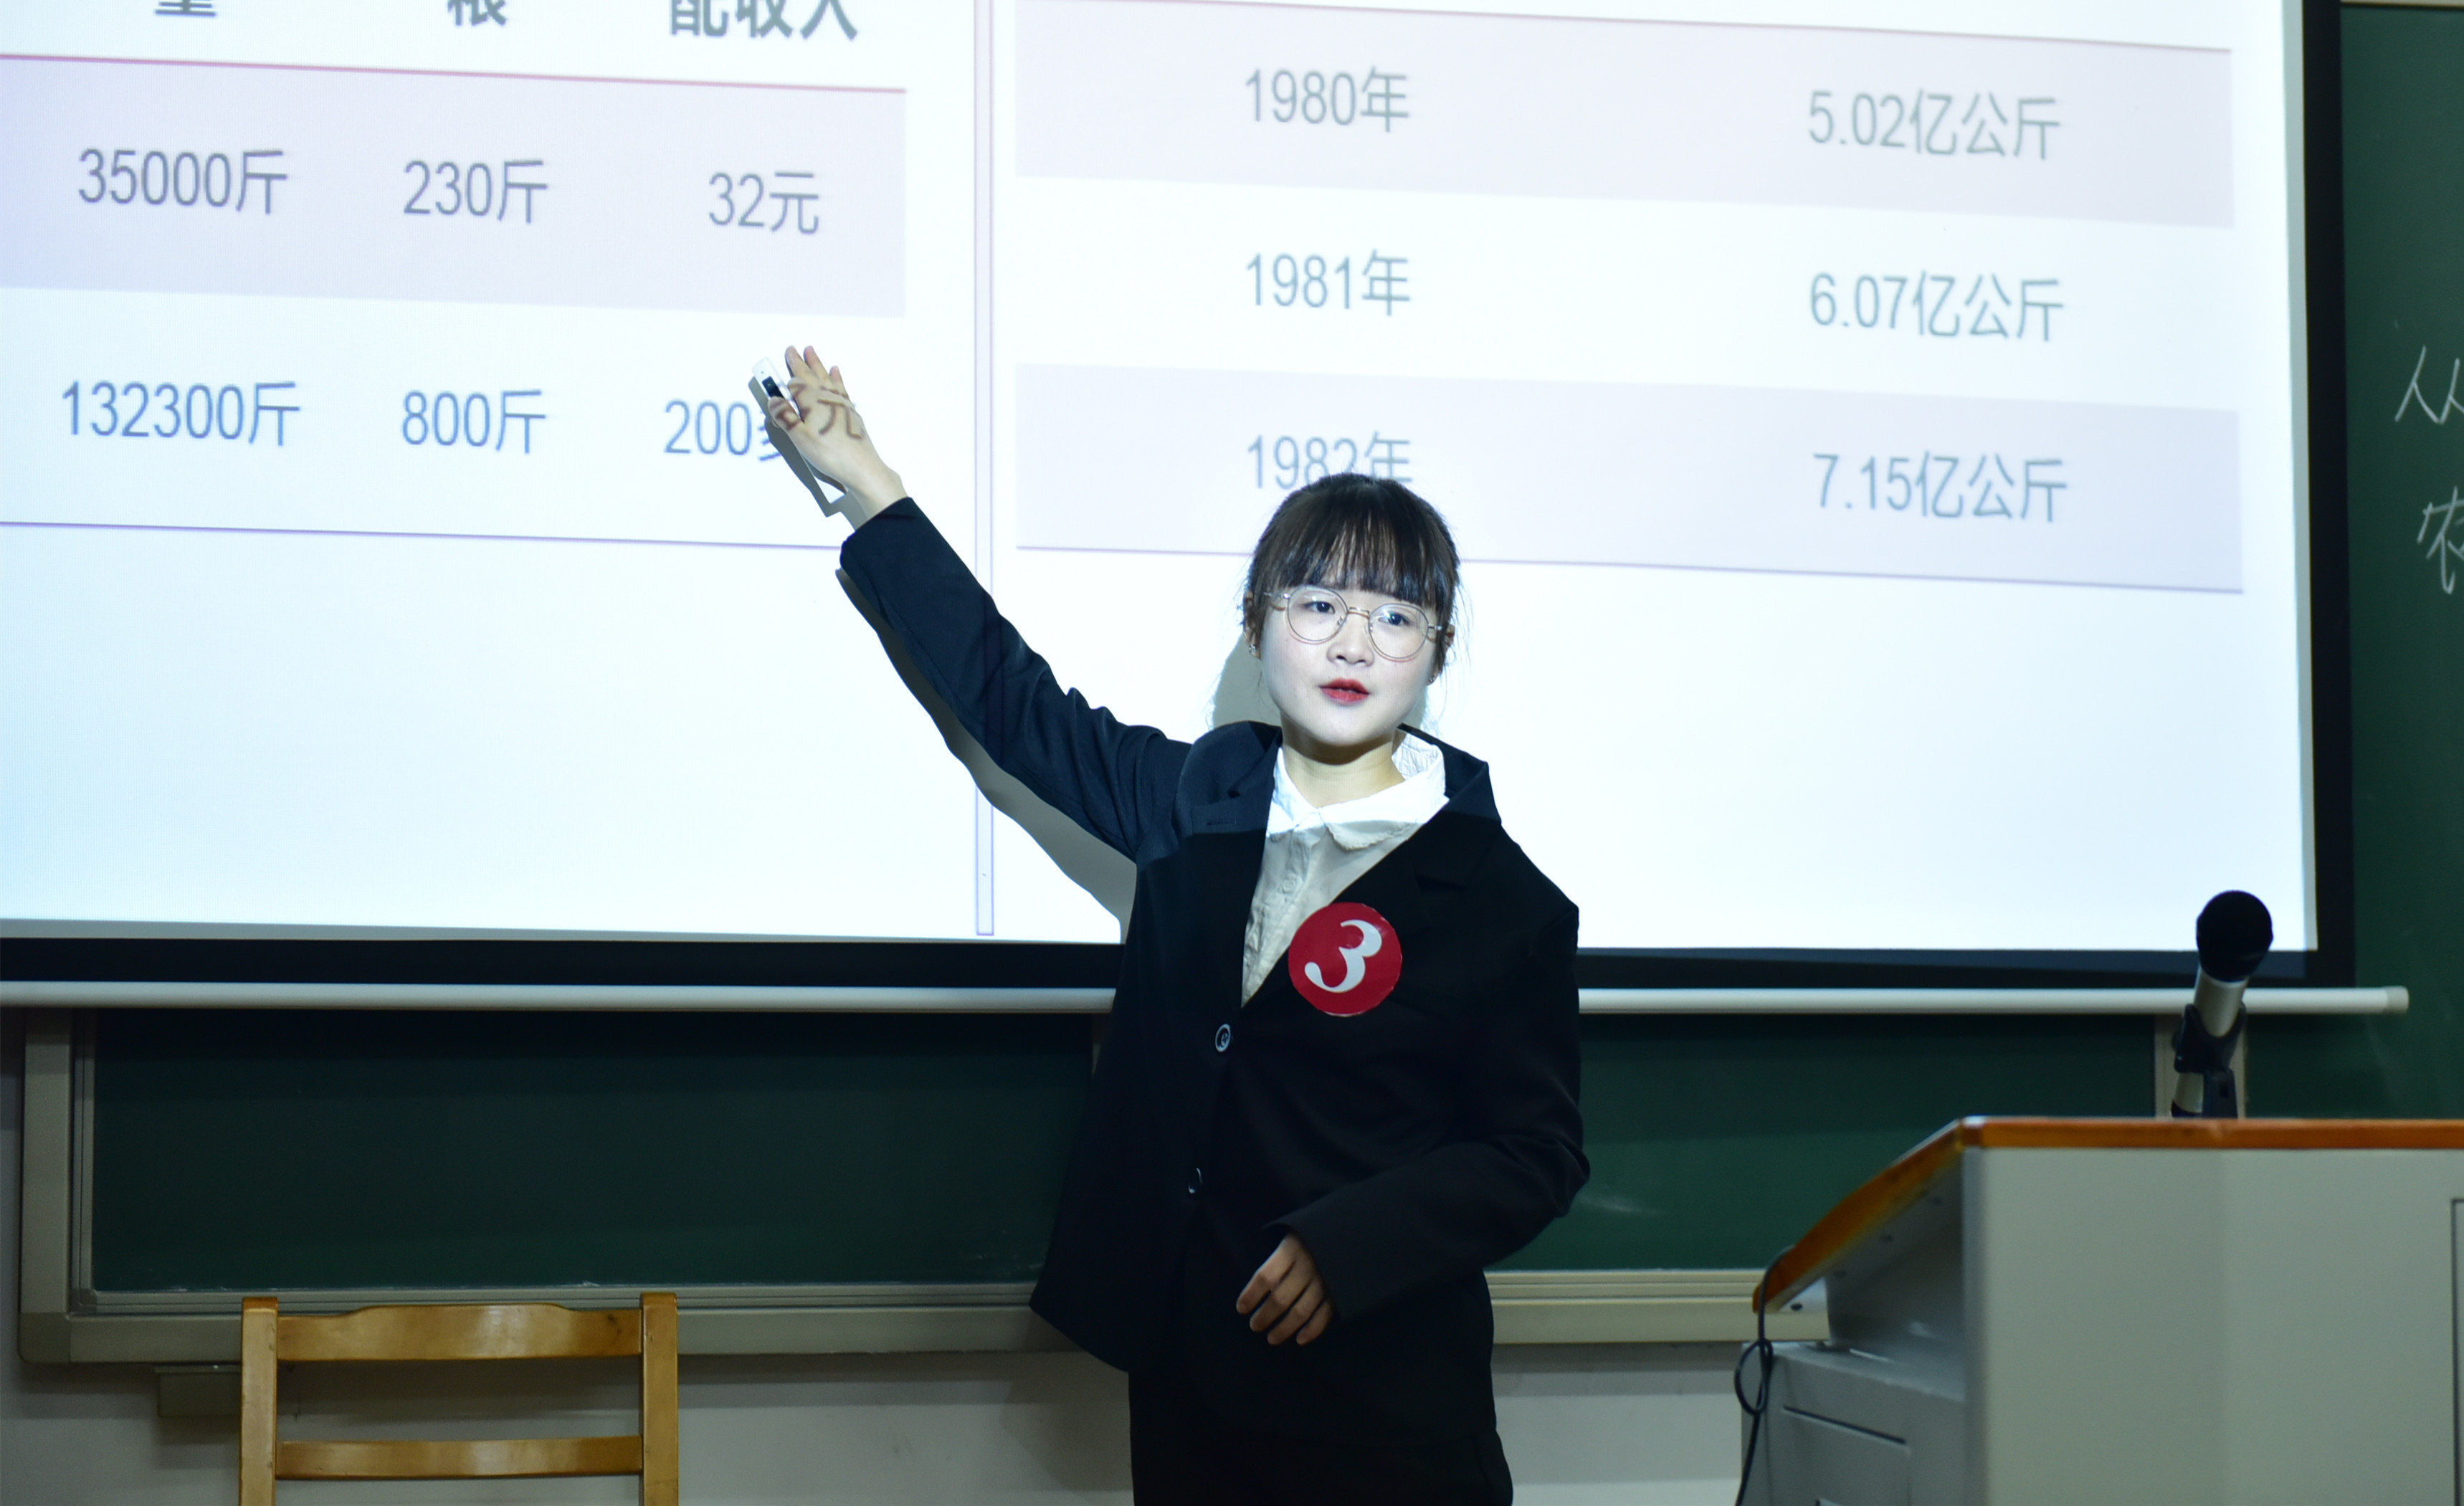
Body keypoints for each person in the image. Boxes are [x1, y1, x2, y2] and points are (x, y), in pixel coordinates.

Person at [764, 347, 1585, 1505]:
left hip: (1388, 1404)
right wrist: (868, 483)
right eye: (1317, 605)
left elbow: (1535, 1152)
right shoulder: (1193, 798)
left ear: (1435, 649)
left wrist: (1351, 1244)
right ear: (1259, 624)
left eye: (1395, 616)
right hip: (1195, 1382)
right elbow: (1013, 703)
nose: (1353, 644)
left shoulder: (1500, 895)